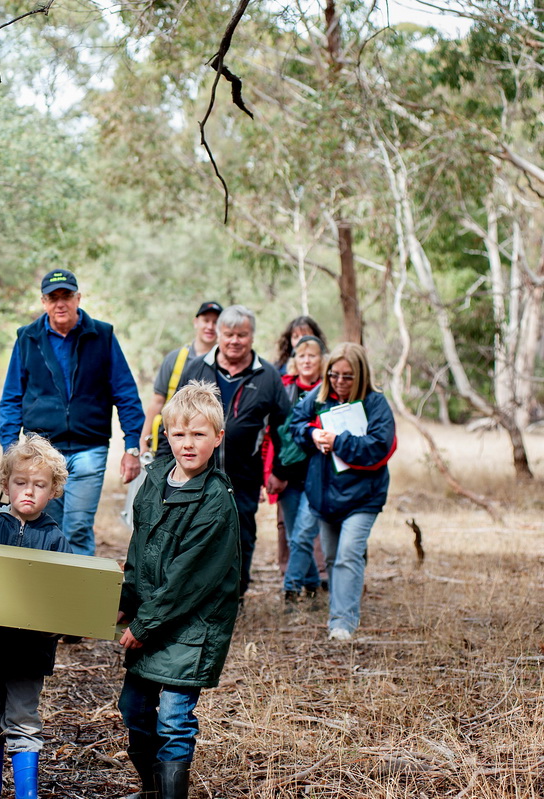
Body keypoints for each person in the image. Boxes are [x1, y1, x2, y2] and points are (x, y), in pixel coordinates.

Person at [118, 381, 240, 799]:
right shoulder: (153, 480)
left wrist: (145, 623)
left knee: (173, 717)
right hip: (153, 618)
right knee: (134, 710)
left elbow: (188, 580)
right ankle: (152, 789)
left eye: (199, 434)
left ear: (218, 437)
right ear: (165, 434)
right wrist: (125, 602)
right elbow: (139, 550)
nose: (188, 444)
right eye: (179, 434)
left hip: (191, 627)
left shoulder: (216, 503)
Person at [0, 268, 145, 558]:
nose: (60, 303)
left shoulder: (102, 335)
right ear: (44, 302)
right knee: (43, 525)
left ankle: (78, 599)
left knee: (77, 527)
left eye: (66, 296)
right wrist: (10, 449)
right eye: (53, 298)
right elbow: (12, 397)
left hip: (89, 449)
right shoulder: (27, 338)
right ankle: (45, 597)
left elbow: (125, 392)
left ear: (78, 298)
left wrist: (132, 446)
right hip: (41, 451)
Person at [0, 435, 71, 799]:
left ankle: (27, 792)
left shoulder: (55, 539)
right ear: (5, 484)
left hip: (28, 653)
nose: (28, 491)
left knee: (23, 720)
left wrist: (55, 625)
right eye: (20, 483)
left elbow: (65, 597)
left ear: (53, 490)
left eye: (39, 485)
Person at [161, 305, 289, 595]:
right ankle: (190, 593)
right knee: (190, 530)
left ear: (252, 336)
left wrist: (280, 471)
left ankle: (235, 594)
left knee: (240, 534)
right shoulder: (197, 368)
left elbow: (284, 428)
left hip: (242, 476)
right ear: (218, 334)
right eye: (229, 334)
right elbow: (173, 416)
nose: (234, 341)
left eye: (241, 335)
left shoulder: (267, 375)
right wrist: (162, 464)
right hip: (195, 470)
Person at [284, 343, 396, 641]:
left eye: (348, 376)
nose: (340, 382)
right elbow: (295, 423)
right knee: (333, 557)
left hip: (364, 497)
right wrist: (312, 434)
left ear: (360, 375)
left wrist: (337, 441)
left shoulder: (375, 404)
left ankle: (343, 622)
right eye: (334, 374)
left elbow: (379, 446)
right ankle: (340, 613)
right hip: (325, 495)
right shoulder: (319, 397)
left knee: (348, 554)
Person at [267, 335, 329, 604]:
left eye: (312, 355)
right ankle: (313, 585)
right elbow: (274, 434)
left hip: (318, 475)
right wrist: (273, 472)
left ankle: (290, 591)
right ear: (294, 360)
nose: (306, 360)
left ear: (321, 360)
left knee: (304, 534)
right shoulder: (284, 388)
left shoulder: (330, 389)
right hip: (287, 475)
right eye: (301, 355)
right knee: (295, 537)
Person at [142, 301, 222, 458]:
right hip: (170, 443)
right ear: (196, 322)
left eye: (216, 322)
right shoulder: (175, 359)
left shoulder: (226, 365)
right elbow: (158, 400)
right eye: (206, 320)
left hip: (208, 447)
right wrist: (144, 439)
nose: (210, 327)